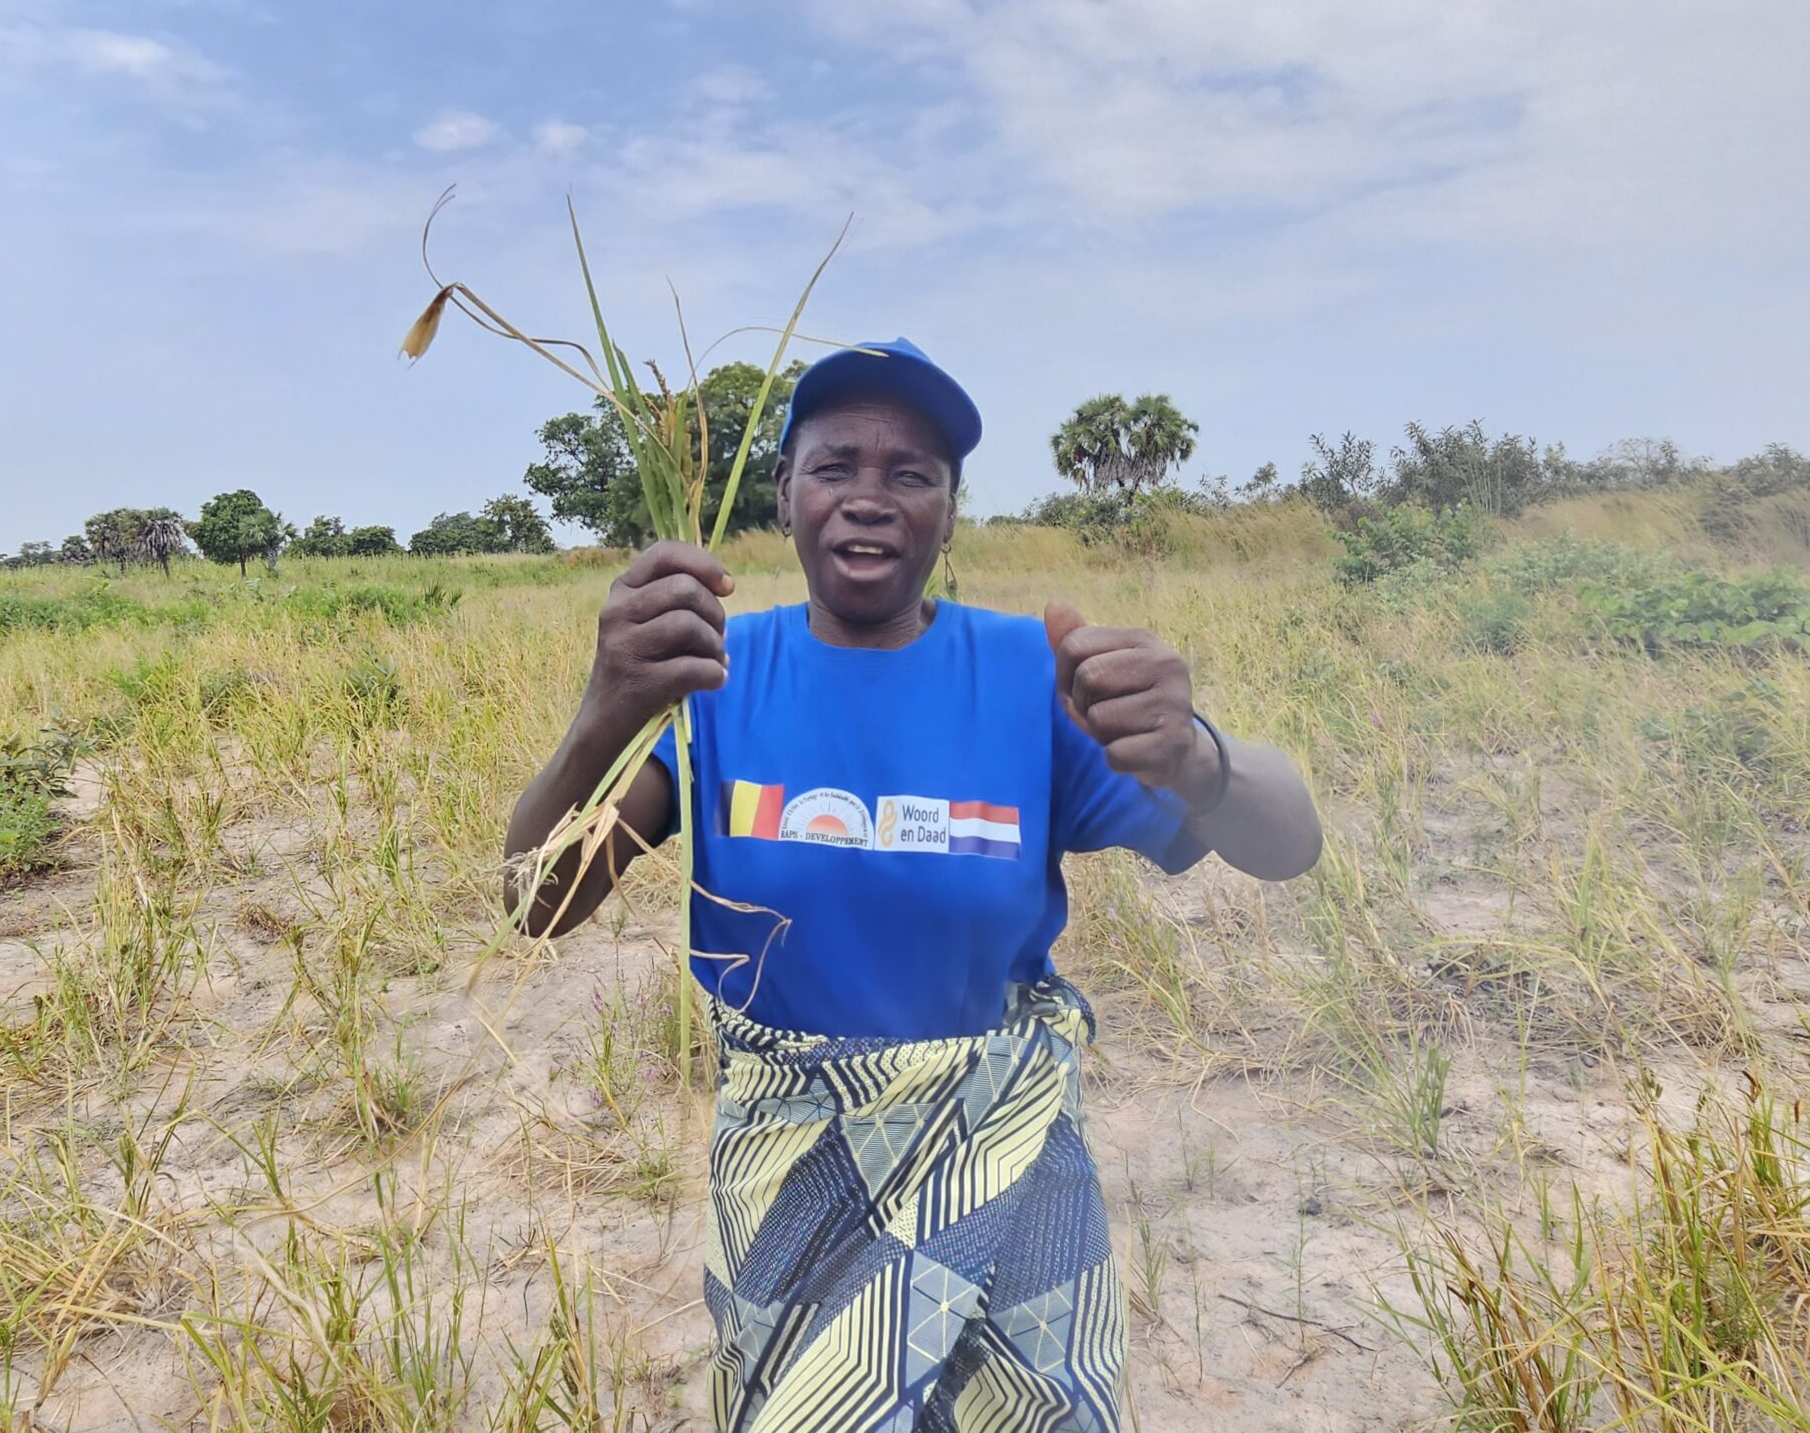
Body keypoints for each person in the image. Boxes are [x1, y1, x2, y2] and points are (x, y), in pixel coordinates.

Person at [505, 338, 1322, 1432]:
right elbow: (537, 901)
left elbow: (1288, 843)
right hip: (793, 1168)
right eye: (836, 465)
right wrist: (608, 704)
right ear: (785, 490)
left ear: (949, 508)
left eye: (912, 474)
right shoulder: (717, 679)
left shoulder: (1029, 676)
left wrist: (1196, 758)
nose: (870, 500)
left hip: (1004, 1146)